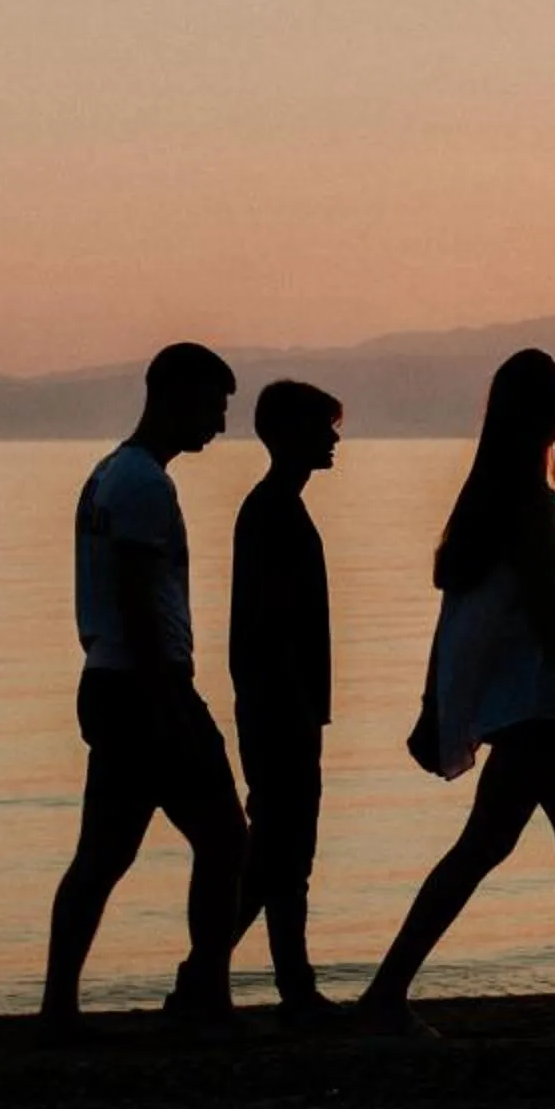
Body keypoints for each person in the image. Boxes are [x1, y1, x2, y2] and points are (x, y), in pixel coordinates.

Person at [357, 348, 555, 1036]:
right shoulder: (527, 504)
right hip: (536, 704)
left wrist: (432, 703)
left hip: (530, 703)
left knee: (513, 844)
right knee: (547, 841)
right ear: (545, 414)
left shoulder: (499, 498)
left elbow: (458, 617)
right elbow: (543, 615)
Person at [39, 341, 246, 1036]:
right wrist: (170, 704)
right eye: (214, 408)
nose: (218, 425)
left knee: (103, 853)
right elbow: (132, 594)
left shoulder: (110, 476)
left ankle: (58, 1007)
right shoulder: (141, 486)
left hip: (113, 681)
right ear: (176, 396)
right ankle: (207, 998)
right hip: (145, 685)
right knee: (225, 840)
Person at [226, 378, 344, 1027]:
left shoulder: (276, 509)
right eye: (323, 426)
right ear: (285, 433)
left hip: (285, 706)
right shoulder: (272, 512)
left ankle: (233, 975)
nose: (333, 439)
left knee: (276, 851)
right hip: (280, 710)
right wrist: (295, 709)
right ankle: (287, 988)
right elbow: (269, 628)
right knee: (282, 852)